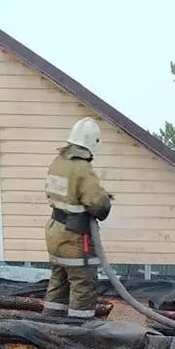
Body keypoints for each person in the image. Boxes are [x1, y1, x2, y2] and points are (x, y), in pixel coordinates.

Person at [42, 117, 113, 318]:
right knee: (83, 285)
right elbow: (98, 205)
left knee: (59, 282)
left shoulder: (58, 162)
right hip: (75, 238)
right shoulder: (82, 168)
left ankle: (49, 325)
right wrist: (106, 201)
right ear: (92, 143)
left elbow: (67, 194)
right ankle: (78, 330)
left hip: (55, 232)